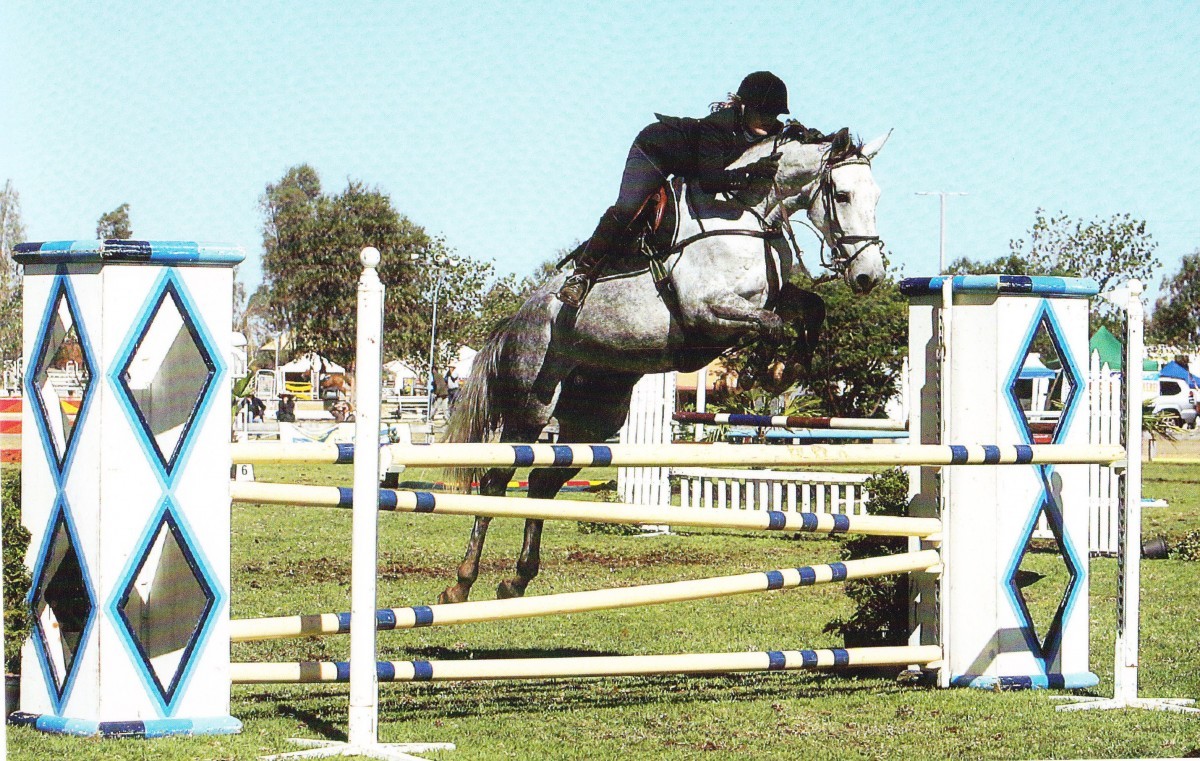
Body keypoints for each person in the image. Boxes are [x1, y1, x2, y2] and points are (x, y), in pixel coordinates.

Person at [557, 71, 792, 308]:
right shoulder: (718, 125)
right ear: (743, 107)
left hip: (690, 166)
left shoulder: (770, 129)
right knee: (629, 208)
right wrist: (750, 172)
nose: (768, 119)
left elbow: (787, 138)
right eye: (762, 112)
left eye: (773, 114)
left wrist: (803, 135)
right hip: (655, 152)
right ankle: (581, 275)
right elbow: (710, 182)